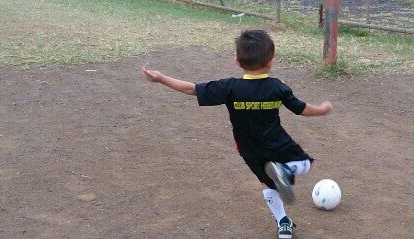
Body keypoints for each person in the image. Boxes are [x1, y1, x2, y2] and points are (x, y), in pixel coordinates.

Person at [141, 29, 332, 239]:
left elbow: (191, 89)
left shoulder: (230, 87)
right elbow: (301, 109)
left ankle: (283, 222)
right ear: (271, 61)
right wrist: (322, 110)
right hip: (276, 143)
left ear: (237, 62)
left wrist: (160, 78)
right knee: (305, 164)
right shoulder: (277, 87)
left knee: (267, 182)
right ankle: (285, 170)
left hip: (248, 148)